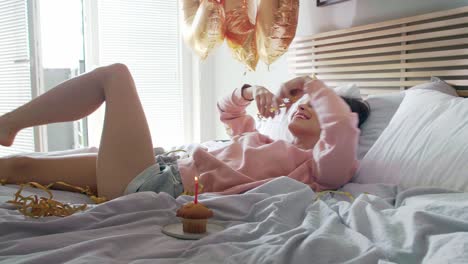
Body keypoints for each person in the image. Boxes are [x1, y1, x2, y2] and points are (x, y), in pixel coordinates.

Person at [0, 63, 369, 200]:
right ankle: (7, 131)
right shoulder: (263, 141)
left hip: (160, 185)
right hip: (162, 165)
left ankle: (7, 124)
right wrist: (248, 91)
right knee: (17, 167)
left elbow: (342, 132)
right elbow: (228, 111)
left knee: (115, 76)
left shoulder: (320, 169)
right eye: (304, 100)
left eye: (317, 106)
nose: (304, 104)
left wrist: (311, 83)